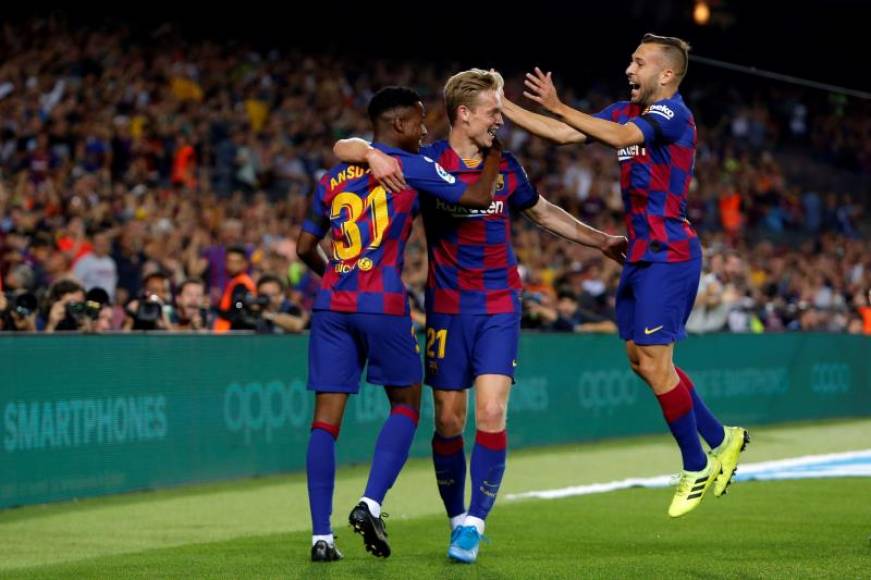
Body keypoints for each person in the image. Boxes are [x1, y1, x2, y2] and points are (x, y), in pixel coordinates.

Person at [334, 69, 625, 562]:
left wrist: (601, 241)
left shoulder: (506, 166)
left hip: (497, 306)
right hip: (446, 309)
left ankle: (474, 521)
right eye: (494, 110)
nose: (500, 119)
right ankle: (455, 518)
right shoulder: (425, 162)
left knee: (490, 411)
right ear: (464, 115)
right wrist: (370, 152)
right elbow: (345, 148)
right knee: (449, 420)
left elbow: (544, 212)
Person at [503, 33, 749, 517]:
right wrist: (503, 106)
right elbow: (563, 134)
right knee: (641, 361)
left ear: (666, 74)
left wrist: (558, 103)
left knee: (657, 363)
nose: (629, 69)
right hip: (639, 253)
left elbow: (617, 139)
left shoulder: (672, 114)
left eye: (639, 62)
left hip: (670, 252)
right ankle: (724, 438)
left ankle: (695, 463)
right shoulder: (624, 109)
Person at [297, 86, 502, 563]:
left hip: (332, 305)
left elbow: (305, 247)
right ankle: (370, 502)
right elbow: (475, 196)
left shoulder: (331, 177)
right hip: (382, 302)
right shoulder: (412, 167)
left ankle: (320, 537)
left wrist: (336, 276)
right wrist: (493, 153)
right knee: (407, 404)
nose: (426, 130)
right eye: (419, 121)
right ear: (400, 126)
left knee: (324, 422)